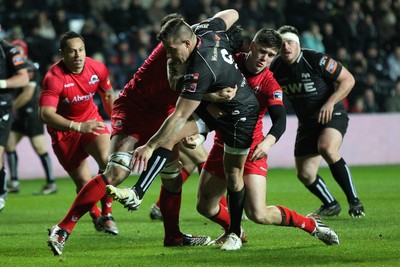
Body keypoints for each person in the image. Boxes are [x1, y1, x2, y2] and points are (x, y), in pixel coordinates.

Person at [46, 14, 219, 255]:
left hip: (163, 117)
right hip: (134, 110)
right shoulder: (175, 52)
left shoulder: (197, 55)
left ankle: (173, 236)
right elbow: (228, 17)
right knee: (116, 171)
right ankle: (63, 229)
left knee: (173, 177)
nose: (169, 51)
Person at [107, 9, 260, 251]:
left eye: (171, 49)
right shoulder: (208, 31)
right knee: (174, 141)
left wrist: (149, 146)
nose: (168, 55)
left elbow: (179, 114)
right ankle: (138, 191)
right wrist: (201, 24)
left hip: (239, 116)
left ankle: (234, 233)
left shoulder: (201, 68)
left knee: (233, 176)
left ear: (187, 43)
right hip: (213, 110)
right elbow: (233, 12)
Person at [195, 27, 339, 247]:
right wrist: (209, 103)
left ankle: (311, 224)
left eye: (271, 55)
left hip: (252, 148)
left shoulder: (270, 83)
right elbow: (200, 87)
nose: (265, 58)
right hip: (222, 143)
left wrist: (268, 142)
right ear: (252, 46)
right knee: (204, 206)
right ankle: (235, 231)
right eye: (262, 51)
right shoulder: (229, 63)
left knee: (258, 214)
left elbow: (280, 120)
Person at [269, 25, 365, 218]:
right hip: (307, 122)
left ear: (298, 45)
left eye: (290, 42)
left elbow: (348, 79)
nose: (286, 47)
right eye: (282, 44)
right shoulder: (276, 67)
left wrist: (330, 103)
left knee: (327, 148)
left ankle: (355, 202)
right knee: (304, 174)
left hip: (332, 114)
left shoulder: (316, 59)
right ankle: (331, 204)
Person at [39, 31, 118, 240]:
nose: (77, 55)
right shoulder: (53, 78)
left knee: (108, 162)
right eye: (72, 51)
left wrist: (117, 123)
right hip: (64, 133)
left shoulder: (97, 68)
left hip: (91, 121)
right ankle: (96, 214)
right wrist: (76, 126)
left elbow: (108, 94)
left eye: (81, 50)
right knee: (83, 182)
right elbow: (45, 114)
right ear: (62, 54)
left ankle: (108, 214)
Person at [6, 39, 57, 195]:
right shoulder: (13, 67)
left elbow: (28, 94)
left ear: (24, 51)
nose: (16, 52)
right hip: (19, 114)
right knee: (9, 145)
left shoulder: (29, 67)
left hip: (31, 113)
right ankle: (14, 181)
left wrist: (9, 107)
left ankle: (51, 183)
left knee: (39, 147)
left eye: (19, 49)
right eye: (14, 49)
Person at [0, 34, 30, 212]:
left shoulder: (8, 50)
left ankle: (1, 193)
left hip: (1, 108)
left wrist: (1, 82)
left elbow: (23, 78)